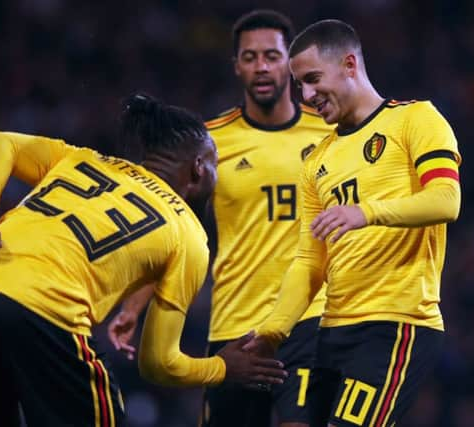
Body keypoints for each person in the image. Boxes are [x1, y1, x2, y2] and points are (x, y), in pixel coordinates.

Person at [0, 94, 287, 427]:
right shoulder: (190, 235)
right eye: (216, 165)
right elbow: (159, 364)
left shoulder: (85, 160)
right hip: (44, 314)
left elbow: (1, 143)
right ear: (198, 168)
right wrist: (223, 368)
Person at [107, 10, 333, 427]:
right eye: (250, 57)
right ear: (236, 66)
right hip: (234, 323)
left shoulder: (331, 132)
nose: (261, 66)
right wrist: (133, 307)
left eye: (271, 55)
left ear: (291, 62)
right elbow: (170, 229)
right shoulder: (208, 144)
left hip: (310, 319)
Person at [245, 19, 462, 427]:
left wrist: (366, 211)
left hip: (395, 324)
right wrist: (273, 330)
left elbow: (447, 201)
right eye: (299, 86)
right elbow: (310, 261)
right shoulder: (317, 162)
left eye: (312, 79)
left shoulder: (416, 120)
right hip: (331, 333)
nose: (306, 96)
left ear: (348, 64)